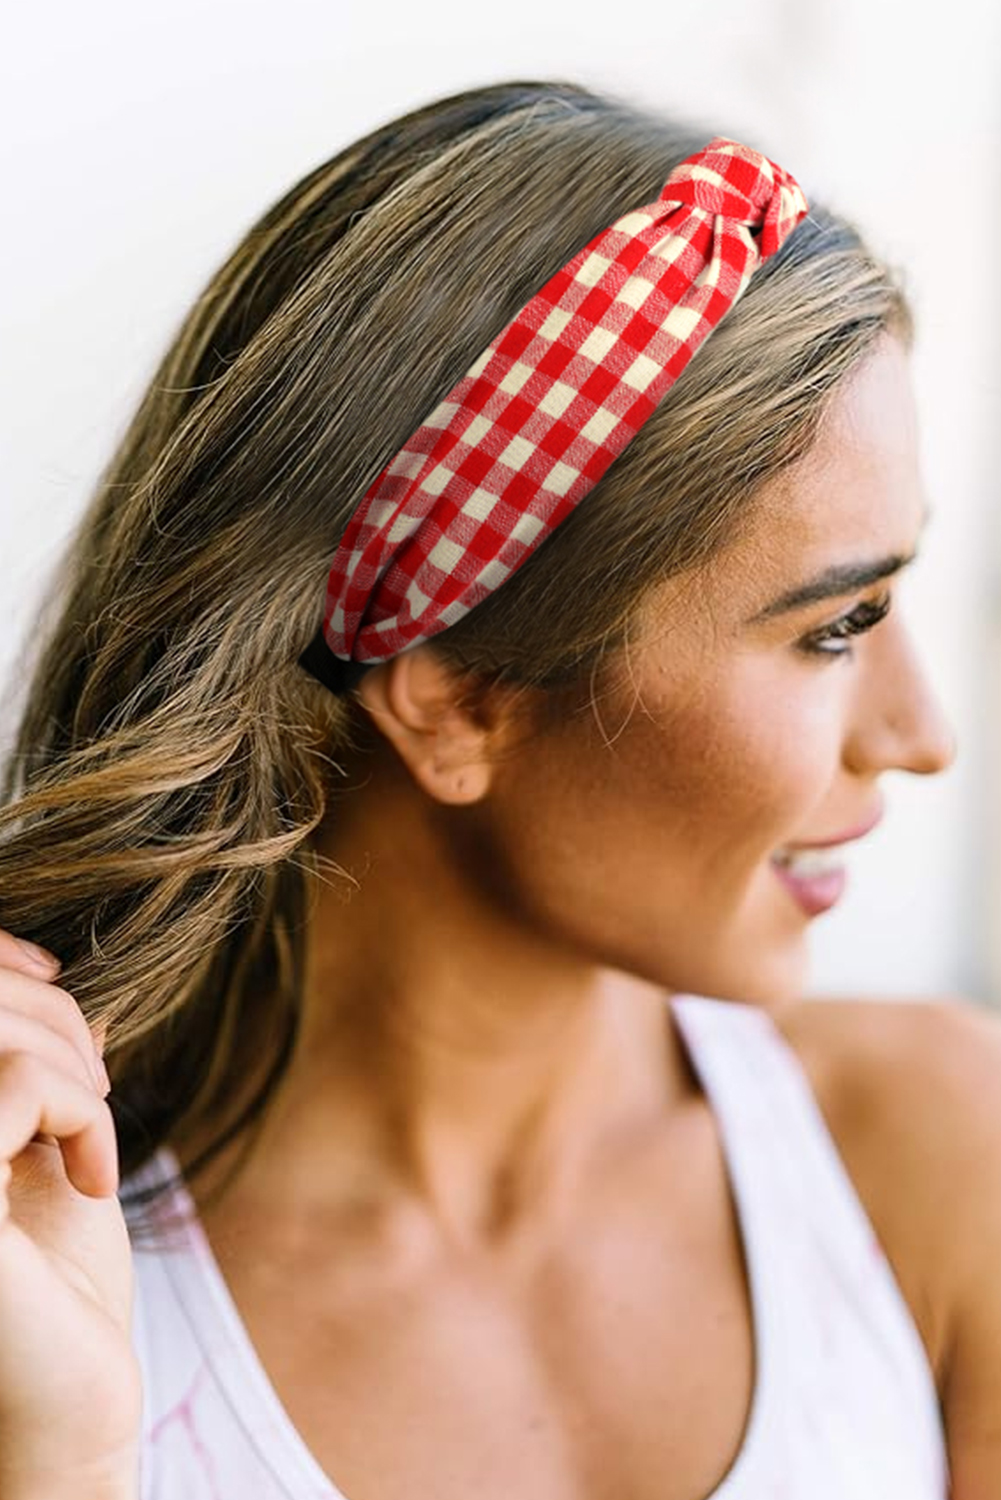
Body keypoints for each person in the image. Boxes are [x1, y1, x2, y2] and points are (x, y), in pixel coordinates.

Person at [0, 77, 998, 1500]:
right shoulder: (42, 1269)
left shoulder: (944, 1159)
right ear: (459, 693)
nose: (921, 735)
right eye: (834, 627)